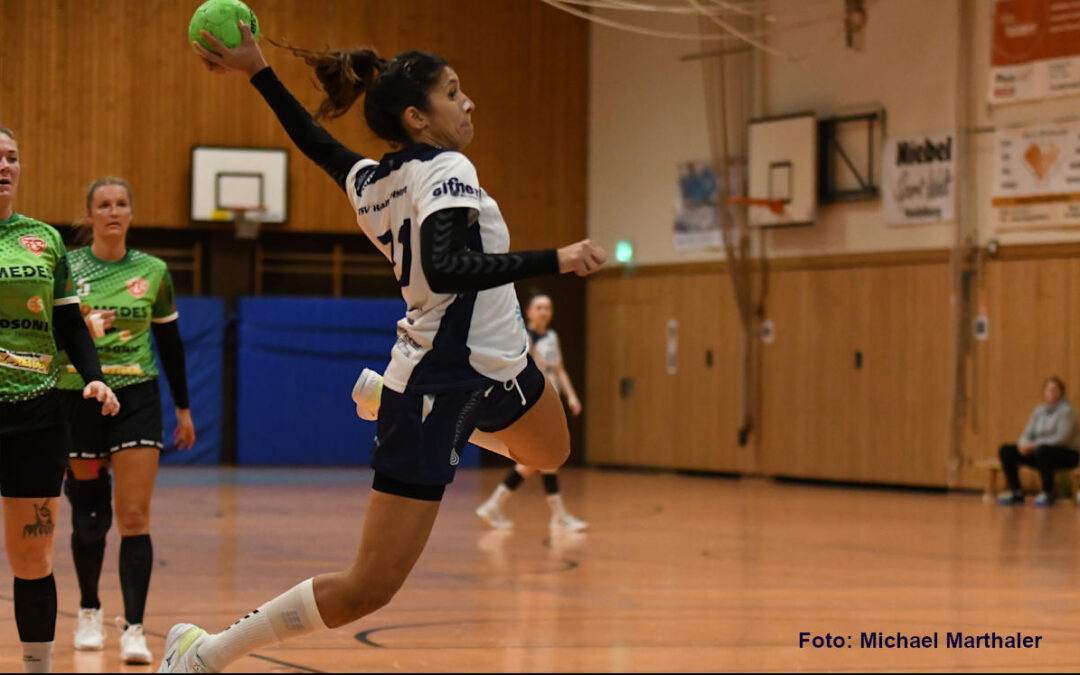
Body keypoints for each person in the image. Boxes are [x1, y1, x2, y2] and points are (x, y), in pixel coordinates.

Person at [158, 22, 607, 673]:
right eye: (455, 93)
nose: (469, 103)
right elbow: (448, 264)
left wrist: (260, 72)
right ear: (418, 117)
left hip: (502, 368)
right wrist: (556, 258)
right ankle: (205, 652)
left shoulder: (374, 183)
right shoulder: (447, 168)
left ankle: (377, 395)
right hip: (437, 386)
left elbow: (317, 145)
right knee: (369, 586)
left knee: (553, 450)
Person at [55, 177, 196, 665]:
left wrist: (182, 406)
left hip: (136, 394)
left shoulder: (154, 271)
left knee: (134, 516)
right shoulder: (67, 267)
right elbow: (46, 335)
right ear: (89, 215)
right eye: (103, 205)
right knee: (90, 519)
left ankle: (134, 628)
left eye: (120, 204)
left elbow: (171, 345)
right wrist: (82, 330)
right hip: (81, 396)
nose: (112, 212)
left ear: (131, 214)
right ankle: (89, 609)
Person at [0, 126, 120, 673]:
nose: (5, 166)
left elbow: (70, 323)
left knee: (32, 555)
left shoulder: (44, 239)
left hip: (37, 416)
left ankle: (36, 668)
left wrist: (93, 375)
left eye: (12, 157)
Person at [476, 293, 587, 532]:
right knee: (540, 458)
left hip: (551, 401)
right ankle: (556, 515)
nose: (544, 312)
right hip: (529, 405)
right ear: (528, 312)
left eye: (548, 307)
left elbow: (560, 370)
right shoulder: (521, 336)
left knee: (539, 460)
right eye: (539, 307)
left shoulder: (552, 337)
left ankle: (496, 506)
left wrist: (572, 396)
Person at [997, 376, 1079, 506]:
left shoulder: (1067, 411)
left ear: (1061, 392)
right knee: (1006, 450)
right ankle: (1016, 492)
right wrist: (1022, 445)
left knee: (1044, 451)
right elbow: (1027, 432)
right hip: (1039, 451)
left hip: (1066, 454)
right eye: (1048, 389)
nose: (1051, 393)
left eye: (1054, 390)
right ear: (1044, 392)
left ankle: (1048, 492)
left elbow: (1062, 438)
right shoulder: (1039, 411)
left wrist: (1034, 445)